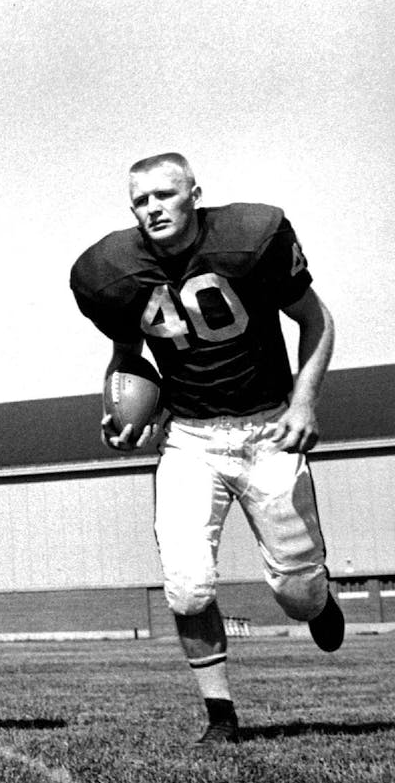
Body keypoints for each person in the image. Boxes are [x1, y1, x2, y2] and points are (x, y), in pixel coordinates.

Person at [70, 152, 342, 747]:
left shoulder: (251, 237)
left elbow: (316, 322)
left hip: (267, 427)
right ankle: (221, 715)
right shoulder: (109, 271)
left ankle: (318, 601)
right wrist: (124, 411)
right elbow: (127, 355)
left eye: (165, 195)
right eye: (141, 201)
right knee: (186, 583)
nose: (154, 209)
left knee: (296, 592)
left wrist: (303, 406)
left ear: (195, 193)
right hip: (190, 438)